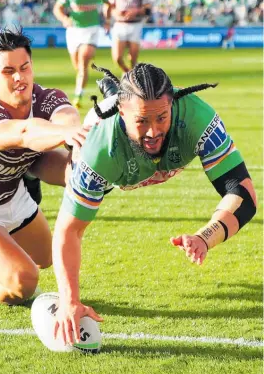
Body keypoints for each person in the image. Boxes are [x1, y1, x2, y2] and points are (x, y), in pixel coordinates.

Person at [51, 63, 257, 344]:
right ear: (123, 115)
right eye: (142, 122)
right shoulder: (99, 149)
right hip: (114, 157)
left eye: (161, 118)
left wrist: (206, 236)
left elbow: (243, 194)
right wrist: (69, 301)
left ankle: (115, 91)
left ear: (173, 105)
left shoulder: (197, 117)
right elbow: (69, 230)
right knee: (71, 180)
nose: (153, 132)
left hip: (136, 149)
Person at [0, 26, 89, 306]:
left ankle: (0, 260)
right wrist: (64, 135)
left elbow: (67, 118)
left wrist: (90, 168)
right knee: (24, 283)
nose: (19, 77)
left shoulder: (47, 98)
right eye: (8, 71)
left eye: (24, 67)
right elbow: (26, 133)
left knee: (47, 258)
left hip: (13, 195)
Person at [53, 0, 111, 109]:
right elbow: (57, 8)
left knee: (83, 60)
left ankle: (78, 96)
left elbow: (108, 3)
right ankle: (81, 81)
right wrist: (64, 18)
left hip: (91, 29)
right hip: (74, 31)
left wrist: (107, 19)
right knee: (78, 66)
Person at [109, 0, 151, 73]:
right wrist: (115, 13)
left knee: (133, 59)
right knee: (117, 58)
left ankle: (131, 78)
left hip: (135, 25)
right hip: (120, 25)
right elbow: (110, 7)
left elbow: (147, 9)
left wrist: (135, 11)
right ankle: (127, 72)